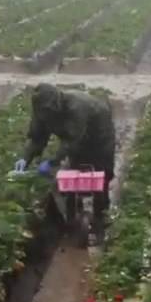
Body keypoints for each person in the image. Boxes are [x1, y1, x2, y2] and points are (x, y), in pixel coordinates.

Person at [14, 84, 117, 225]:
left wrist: (52, 162)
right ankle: (73, 216)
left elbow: (71, 140)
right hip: (75, 138)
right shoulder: (42, 112)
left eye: (49, 110)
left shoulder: (76, 107)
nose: (46, 114)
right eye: (43, 111)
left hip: (100, 136)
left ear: (56, 103)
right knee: (75, 172)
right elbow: (37, 138)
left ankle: (101, 215)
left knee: (101, 176)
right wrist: (25, 158)